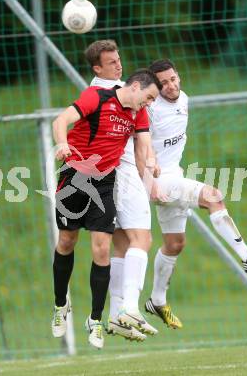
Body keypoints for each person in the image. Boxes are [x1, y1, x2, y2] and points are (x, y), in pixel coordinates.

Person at [143, 59, 247, 328]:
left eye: (173, 79)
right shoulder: (149, 110)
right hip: (156, 179)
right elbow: (140, 145)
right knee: (213, 196)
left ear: (178, 76)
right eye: (163, 83)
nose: (171, 85)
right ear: (154, 87)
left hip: (174, 175)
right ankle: (246, 255)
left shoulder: (185, 100)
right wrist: (150, 181)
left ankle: (156, 301)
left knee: (174, 244)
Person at [50, 67, 162, 350]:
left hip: (105, 184)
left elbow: (143, 145)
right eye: (148, 97)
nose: (148, 104)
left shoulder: (137, 112)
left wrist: (149, 165)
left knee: (102, 248)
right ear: (135, 86)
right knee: (66, 240)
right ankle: (60, 304)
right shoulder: (96, 97)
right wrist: (62, 143)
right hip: (74, 176)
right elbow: (61, 120)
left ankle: (96, 320)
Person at [84, 39, 159, 342]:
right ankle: (130, 307)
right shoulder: (111, 93)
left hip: (102, 175)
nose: (118, 63)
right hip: (122, 172)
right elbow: (141, 143)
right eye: (111, 61)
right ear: (97, 67)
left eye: (119, 58)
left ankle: (116, 315)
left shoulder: (112, 89)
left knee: (123, 244)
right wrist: (148, 178)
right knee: (143, 238)